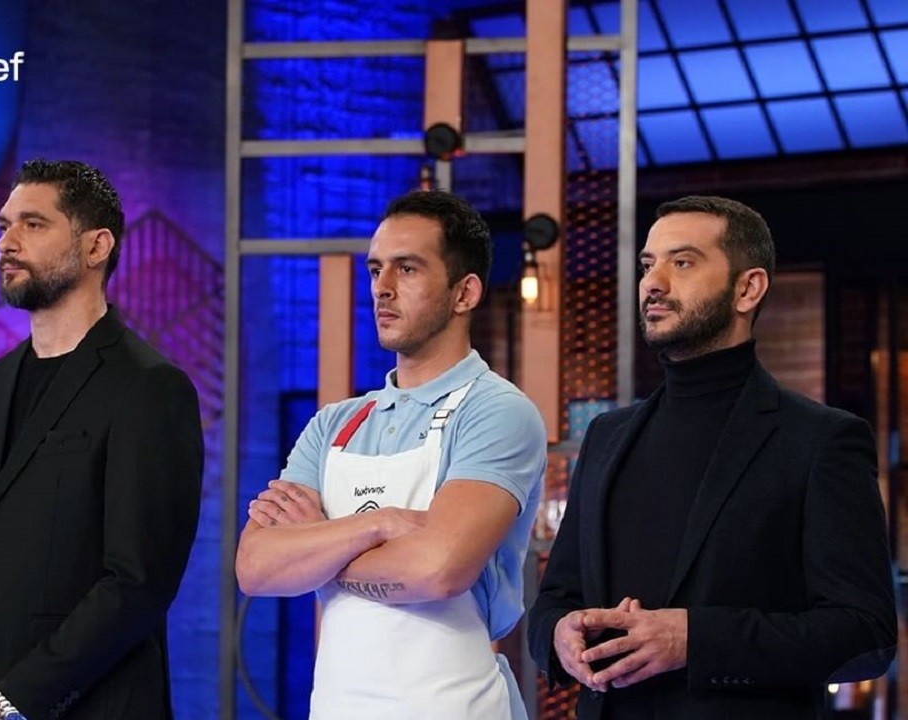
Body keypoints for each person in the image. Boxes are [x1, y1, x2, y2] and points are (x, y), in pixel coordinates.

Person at [527, 195, 897, 719]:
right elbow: (555, 600)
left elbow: (866, 634)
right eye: (648, 265)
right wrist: (559, 635)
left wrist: (694, 640)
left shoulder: (821, 440)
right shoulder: (608, 436)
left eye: (682, 262)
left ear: (748, 289)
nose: (653, 283)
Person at [235, 190, 546, 719]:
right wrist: (377, 525)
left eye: (407, 268)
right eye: (376, 269)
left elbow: (439, 570)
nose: (382, 287)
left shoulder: (497, 412)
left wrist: (318, 552)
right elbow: (256, 569)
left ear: (465, 292)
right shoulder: (334, 423)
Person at [0, 159, 203, 720]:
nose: (6, 242)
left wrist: (7, 702)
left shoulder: (149, 388)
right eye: (4, 225)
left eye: (33, 224)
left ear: (97, 247)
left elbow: (136, 582)